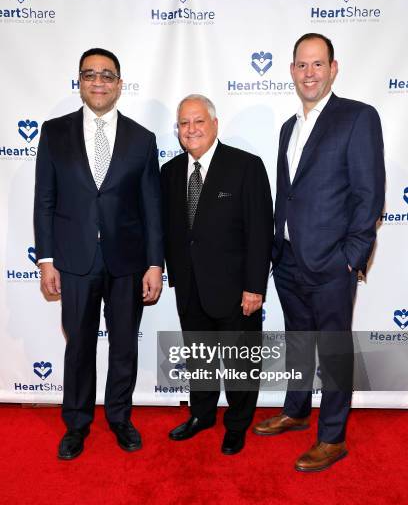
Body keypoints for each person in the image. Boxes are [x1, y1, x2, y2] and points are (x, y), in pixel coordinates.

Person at [253, 33, 385, 471]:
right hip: (288, 259)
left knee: (332, 350)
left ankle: (332, 437)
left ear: (333, 68)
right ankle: (295, 410)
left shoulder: (358, 117)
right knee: (298, 342)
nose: (309, 73)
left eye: (317, 64)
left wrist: (352, 256)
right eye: (301, 65)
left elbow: (369, 195)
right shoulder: (289, 127)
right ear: (291, 71)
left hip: (332, 262)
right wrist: (276, 249)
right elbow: (288, 194)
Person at [34, 48, 163, 460]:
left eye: (107, 75)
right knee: (79, 345)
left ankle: (120, 417)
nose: (99, 82)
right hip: (74, 261)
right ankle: (76, 423)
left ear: (120, 84)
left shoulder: (142, 140)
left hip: (127, 262)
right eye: (90, 74)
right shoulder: (54, 133)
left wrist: (155, 263)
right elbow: (45, 202)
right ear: (79, 82)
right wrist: (47, 259)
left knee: (124, 344)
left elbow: (152, 209)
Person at [161, 94, 273, 455]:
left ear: (215, 124)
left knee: (241, 363)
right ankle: (202, 414)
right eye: (184, 123)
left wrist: (255, 287)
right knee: (199, 357)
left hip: (236, 289)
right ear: (177, 130)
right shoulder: (170, 172)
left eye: (198, 121)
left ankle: (237, 424)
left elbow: (260, 232)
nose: (191, 129)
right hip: (190, 287)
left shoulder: (246, 166)